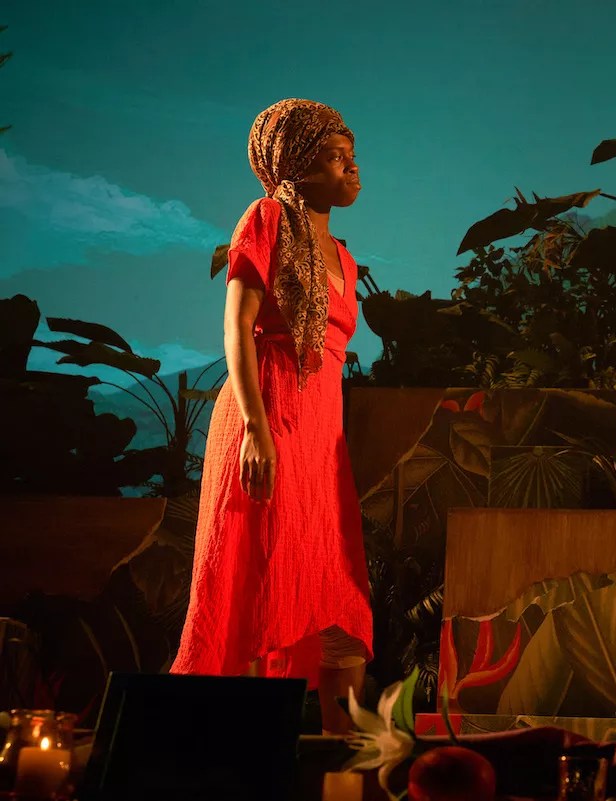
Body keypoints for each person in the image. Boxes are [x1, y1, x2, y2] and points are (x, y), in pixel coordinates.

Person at [172, 99, 373, 734]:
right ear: (295, 166)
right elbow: (237, 324)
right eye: (335, 158)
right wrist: (256, 431)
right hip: (268, 412)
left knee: (340, 598)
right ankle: (239, 748)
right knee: (262, 576)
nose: (352, 169)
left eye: (352, 156)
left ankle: (342, 753)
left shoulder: (344, 258)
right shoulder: (266, 219)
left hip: (320, 438)